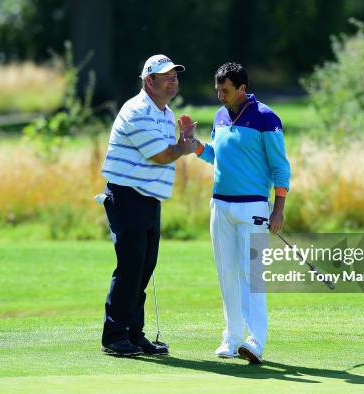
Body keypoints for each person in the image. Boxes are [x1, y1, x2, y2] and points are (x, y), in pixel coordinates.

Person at [192, 62, 290, 364]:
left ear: (242, 89)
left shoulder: (266, 118)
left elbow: (280, 167)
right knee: (227, 274)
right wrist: (194, 146)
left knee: (252, 276)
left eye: (225, 90)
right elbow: (215, 155)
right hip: (219, 206)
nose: (219, 95)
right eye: (217, 90)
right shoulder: (220, 116)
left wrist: (279, 208)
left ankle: (255, 340)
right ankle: (232, 338)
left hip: (254, 208)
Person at [99, 54, 195, 357]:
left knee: (144, 267)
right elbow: (160, 155)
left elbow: (169, 152)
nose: (173, 80)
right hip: (126, 195)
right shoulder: (137, 110)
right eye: (166, 75)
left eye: (175, 75)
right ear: (148, 81)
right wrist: (183, 146)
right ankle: (114, 335)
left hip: (148, 197)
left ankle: (132, 333)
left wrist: (184, 140)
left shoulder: (165, 112)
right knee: (130, 267)